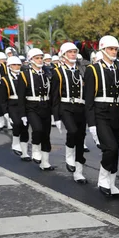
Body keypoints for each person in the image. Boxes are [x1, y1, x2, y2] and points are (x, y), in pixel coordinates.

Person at [85, 35, 119, 198]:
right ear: (102, 50)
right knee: (110, 148)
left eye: (115, 49)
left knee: (115, 151)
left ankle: (112, 183)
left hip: (116, 113)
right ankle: (103, 178)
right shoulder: (93, 69)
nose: (114, 52)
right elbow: (88, 100)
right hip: (100, 112)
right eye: (110, 49)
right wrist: (92, 124)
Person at [51, 42, 88, 183]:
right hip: (65, 106)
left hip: (81, 107)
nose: (73, 54)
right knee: (72, 131)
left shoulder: (81, 71)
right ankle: (69, 155)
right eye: (70, 52)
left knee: (80, 139)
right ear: (63, 55)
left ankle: (78, 172)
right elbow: (54, 95)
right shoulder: (58, 72)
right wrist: (56, 116)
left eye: (74, 52)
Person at [16, 48, 54, 170]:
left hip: (46, 105)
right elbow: (21, 96)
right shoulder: (25, 74)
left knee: (46, 134)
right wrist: (22, 114)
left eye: (41, 58)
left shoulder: (47, 73)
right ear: (31, 60)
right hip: (32, 106)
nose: (40, 60)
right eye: (37, 58)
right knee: (37, 129)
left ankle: (45, 162)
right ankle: (35, 149)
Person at [0, 56, 31, 161]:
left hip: (25, 104)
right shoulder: (5, 79)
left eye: (18, 65)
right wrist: (5, 112)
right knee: (17, 123)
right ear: (9, 66)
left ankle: (25, 152)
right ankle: (15, 142)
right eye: (14, 65)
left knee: (25, 127)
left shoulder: (25, 76)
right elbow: (2, 98)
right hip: (12, 104)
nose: (16, 67)